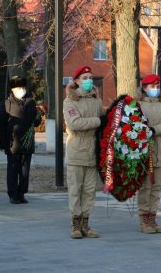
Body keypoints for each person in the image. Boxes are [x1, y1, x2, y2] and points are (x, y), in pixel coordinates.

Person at [63, 66, 104, 239]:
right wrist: (98, 121)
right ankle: (75, 224)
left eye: (90, 77)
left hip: (93, 151)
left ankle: (85, 223)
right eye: (85, 77)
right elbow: (75, 124)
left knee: (90, 191)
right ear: (77, 81)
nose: (88, 80)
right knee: (75, 189)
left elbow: (104, 122)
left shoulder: (96, 101)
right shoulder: (70, 101)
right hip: (77, 149)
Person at [135, 74, 161, 234]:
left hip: (160, 151)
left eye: (157, 86)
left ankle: (152, 217)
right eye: (152, 86)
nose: (155, 89)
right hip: (143, 151)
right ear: (144, 88)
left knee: (157, 187)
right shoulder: (137, 105)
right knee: (145, 187)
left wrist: (154, 129)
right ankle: (144, 218)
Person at [0, 76, 42, 204]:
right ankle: (13, 194)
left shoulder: (30, 102)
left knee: (25, 171)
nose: (21, 90)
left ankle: (21, 193)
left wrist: (38, 117)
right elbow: (0, 124)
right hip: (12, 143)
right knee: (13, 170)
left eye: (23, 87)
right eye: (18, 87)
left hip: (27, 143)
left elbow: (35, 122)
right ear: (12, 89)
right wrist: (3, 142)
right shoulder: (6, 103)